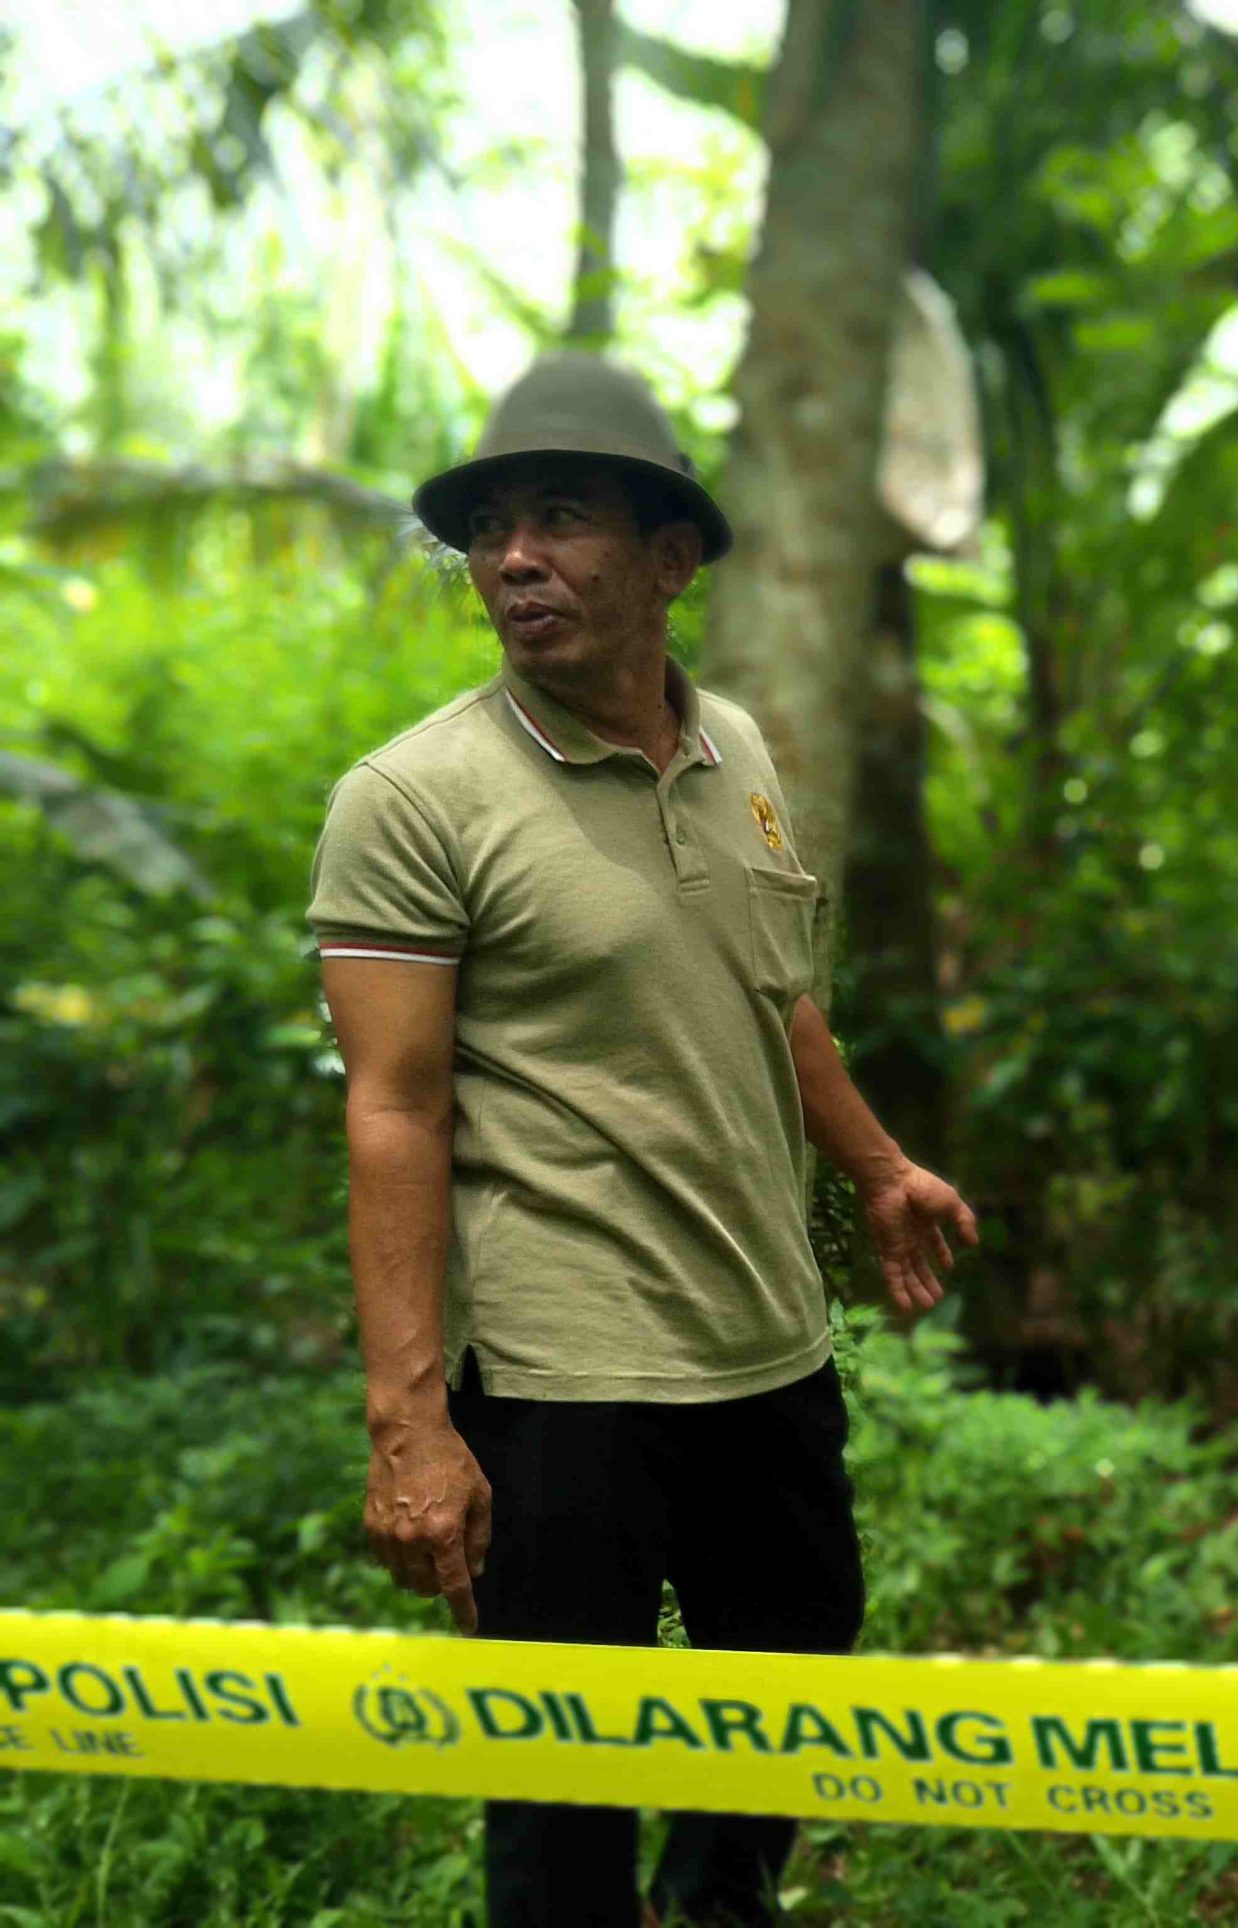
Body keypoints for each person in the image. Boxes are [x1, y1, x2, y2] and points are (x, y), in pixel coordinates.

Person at [305, 352, 977, 1928]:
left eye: (560, 518)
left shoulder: (735, 749)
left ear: (672, 559)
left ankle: (717, 1911)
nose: (515, 559)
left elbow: (770, 998)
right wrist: (409, 1423)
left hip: (768, 1348)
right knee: (561, 1800)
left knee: (789, 1702)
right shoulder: (413, 797)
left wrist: (878, 1167)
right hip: (564, 1381)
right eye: (491, 532)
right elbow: (393, 1107)